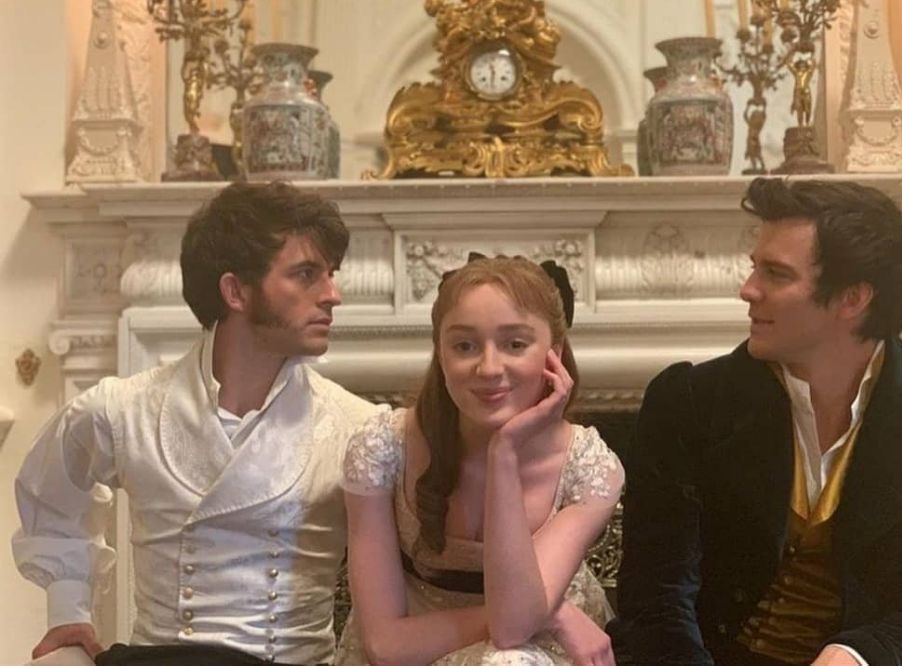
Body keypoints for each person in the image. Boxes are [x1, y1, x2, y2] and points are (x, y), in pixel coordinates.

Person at [611, 178, 902, 666]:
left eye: (775, 273)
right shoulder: (686, 403)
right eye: (754, 267)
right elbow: (655, 599)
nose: (747, 290)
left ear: (853, 299)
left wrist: (857, 654)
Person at [13, 182, 385, 666]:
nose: (333, 295)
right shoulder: (122, 410)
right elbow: (52, 494)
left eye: (331, 274)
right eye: (306, 274)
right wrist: (68, 609)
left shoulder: (360, 428)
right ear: (235, 291)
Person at [335, 255, 623, 665]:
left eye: (515, 344)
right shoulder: (382, 447)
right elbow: (384, 645)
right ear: (440, 354)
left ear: (554, 354)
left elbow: (512, 629)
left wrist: (503, 454)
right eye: (464, 346)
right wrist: (554, 614)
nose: (488, 368)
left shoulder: (590, 467)